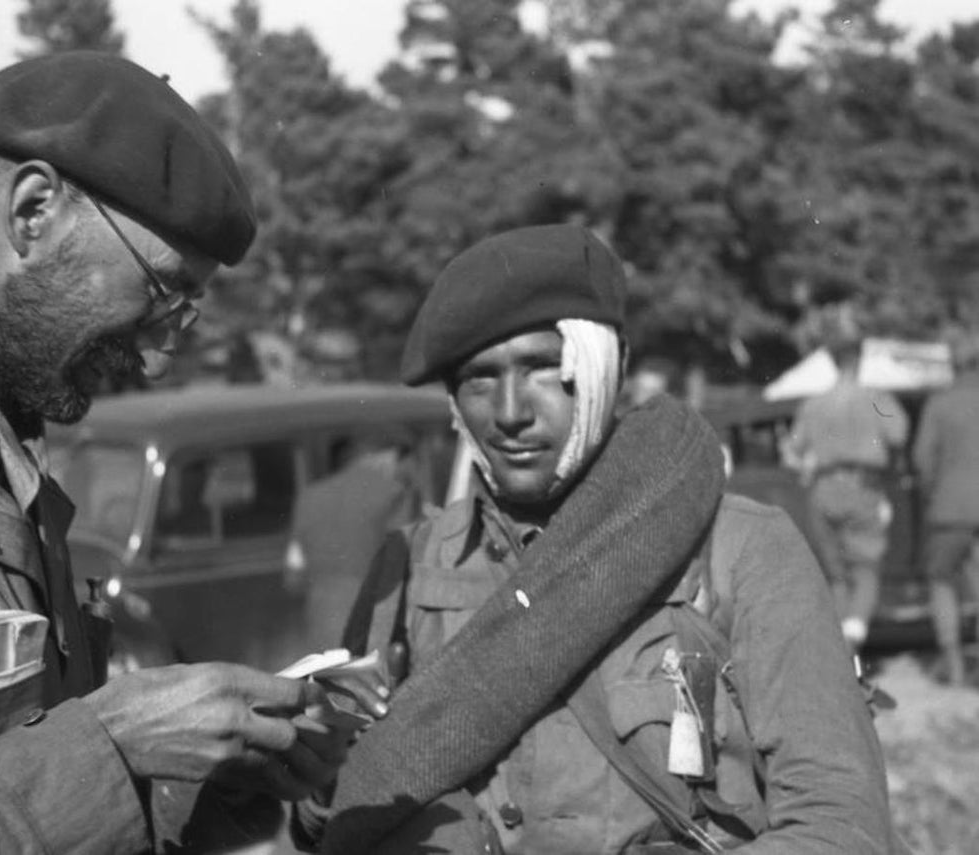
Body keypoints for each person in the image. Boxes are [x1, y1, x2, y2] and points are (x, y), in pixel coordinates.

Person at [0, 51, 384, 853]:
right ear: (32, 211)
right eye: (158, 294)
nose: (159, 360)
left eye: (183, 320)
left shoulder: (4, 462)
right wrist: (111, 742)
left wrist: (212, 781)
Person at [292, 224, 897, 853]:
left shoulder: (740, 550)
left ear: (615, 367)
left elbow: (841, 826)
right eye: (478, 378)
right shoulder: (414, 568)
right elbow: (338, 812)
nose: (509, 411)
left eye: (545, 368)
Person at [783, 337, 910, 650]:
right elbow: (899, 434)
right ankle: (854, 632)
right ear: (861, 361)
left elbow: (791, 449)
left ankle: (843, 648)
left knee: (837, 575)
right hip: (863, 486)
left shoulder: (813, 404)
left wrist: (806, 466)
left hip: (823, 489)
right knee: (866, 567)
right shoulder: (876, 398)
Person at [284, 436, 422, 652]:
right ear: (374, 456)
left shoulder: (309, 497)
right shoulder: (394, 492)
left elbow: (293, 577)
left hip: (321, 627)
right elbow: (408, 557)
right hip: (376, 624)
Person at [912, 335, 979, 686]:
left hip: (950, 510)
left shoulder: (940, 404)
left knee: (941, 581)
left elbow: (923, 460)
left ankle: (953, 663)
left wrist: (931, 495)